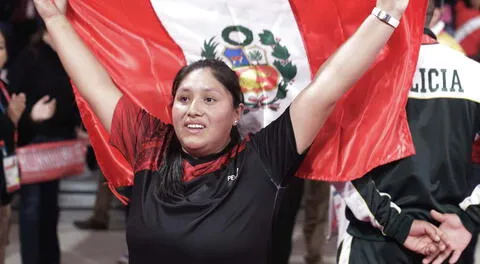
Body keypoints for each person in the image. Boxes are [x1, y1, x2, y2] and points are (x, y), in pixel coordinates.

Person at [33, 0, 446, 263]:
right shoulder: (148, 144)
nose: (193, 109)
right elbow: (95, 83)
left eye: (210, 100)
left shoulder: (262, 158)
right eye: (184, 98)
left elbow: (328, 88)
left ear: (237, 113)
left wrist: (388, 12)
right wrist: (55, 19)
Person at [336, 0, 480, 263]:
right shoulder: (474, 75)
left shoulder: (357, 74)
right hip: (447, 244)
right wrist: (470, 218)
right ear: (435, 13)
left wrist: (396, 222)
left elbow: (336, 162)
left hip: (374, 243)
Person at [7, 22, 80, 264]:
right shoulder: (31, 54)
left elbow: (75, 99)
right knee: (32, 208)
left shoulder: (70, 55)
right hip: (33, 139)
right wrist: (31, 114)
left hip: (59, 142)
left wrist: (76, 126)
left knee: (50, 209)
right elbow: (12, 96)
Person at [0, 24, 25, 264]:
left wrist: (24, 118)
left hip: (4, 179)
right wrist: (10, 119)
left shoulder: (4, 88)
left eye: (0, 47)